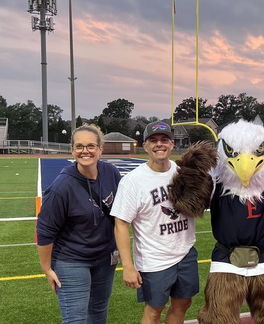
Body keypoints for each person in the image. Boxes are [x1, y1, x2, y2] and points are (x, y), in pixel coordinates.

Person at [110, 121, 199, 324]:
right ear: (146, 145)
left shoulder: (183, 173)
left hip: (185, 252)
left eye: (164, 140)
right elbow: (121, 223)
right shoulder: (133, 180)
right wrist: (128, 266)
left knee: (183, 302)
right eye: (154, 140)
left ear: (172, 144)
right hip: (154, 259)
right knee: (154, 310)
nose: (159, 144)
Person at [36, 123, 121, 324]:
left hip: (105, 258)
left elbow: (121, 212)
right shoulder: (62, 187)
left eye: (91, 146)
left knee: (98, 313)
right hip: (72, 260)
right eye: (79, 146)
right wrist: (47, 269)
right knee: (76, 319)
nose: (85, 151)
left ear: (101, 148)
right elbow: (45, 230)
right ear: (72, 150)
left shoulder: (111, 172)